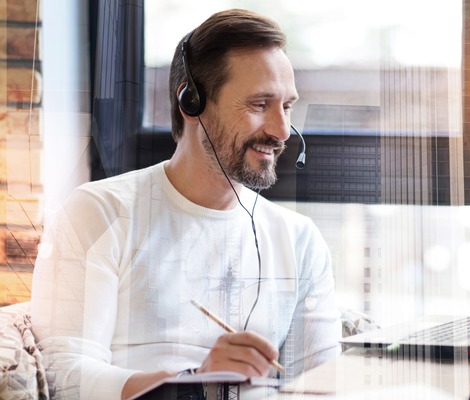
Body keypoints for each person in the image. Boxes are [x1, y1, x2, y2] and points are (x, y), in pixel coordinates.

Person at [30, 9, 341, 400]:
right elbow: (63, 375)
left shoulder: (299, 240)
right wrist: (193, 383)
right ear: (191, 103)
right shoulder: (99, 212)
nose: (281, 131)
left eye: (287, 107)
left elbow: (322, 387)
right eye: (260, 105)